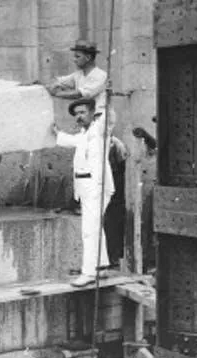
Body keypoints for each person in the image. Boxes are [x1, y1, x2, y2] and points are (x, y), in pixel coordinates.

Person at [53, 98, 114, 287]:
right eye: (76, 113)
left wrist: (104, 97)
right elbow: (69, 141)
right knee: (95, 227)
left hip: (96, 185)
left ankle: (88, 273)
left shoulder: (99, 130)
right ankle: (101, 266)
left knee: (90, 230)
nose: (79, 116)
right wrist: (56, 133)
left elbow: (109, 117)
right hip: (85, 187)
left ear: (92, 112)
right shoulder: (83, 134)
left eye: (82, 112)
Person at [45, 39, 114, 130]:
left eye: (77, 57)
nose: (74, 60)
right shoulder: (78, 74)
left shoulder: (100, 75)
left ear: (88, 57)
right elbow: (59, 81)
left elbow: (81, 94)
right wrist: (52, 85)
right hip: (86, 118)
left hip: (100, 119)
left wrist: (56, 93)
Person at [104, 136, 129, 267]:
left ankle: (115, 258)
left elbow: (123, 166)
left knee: (114, 223)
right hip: (105, 185)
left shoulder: (115, 143)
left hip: (116, 185)